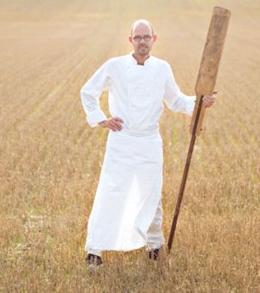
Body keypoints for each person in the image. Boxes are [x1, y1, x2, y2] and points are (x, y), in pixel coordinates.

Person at [80, 19, 216, 268]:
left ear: (154, 39)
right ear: (130, 40)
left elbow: (175, 102)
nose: (142, 42)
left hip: (150, 142)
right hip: (121, 141)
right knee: (111, 191)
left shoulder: (162, 68)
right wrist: (101, 119)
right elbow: (87, 92)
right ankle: (94, 250)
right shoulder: (115, 66)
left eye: (147, 37)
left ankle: (154, 245)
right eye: (137, 37)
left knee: (151, 194)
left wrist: (199, 103)